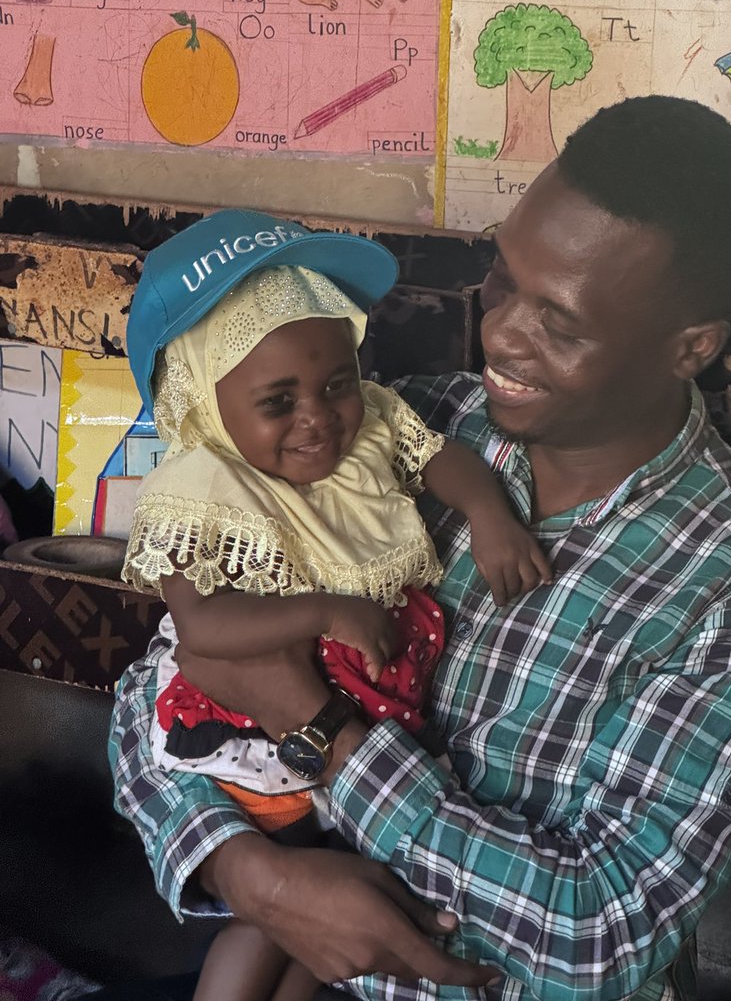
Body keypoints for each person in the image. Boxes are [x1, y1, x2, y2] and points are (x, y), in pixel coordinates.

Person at [110, 96, 731, 1001]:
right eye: (504, 278)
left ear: (688, 348)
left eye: (558, 324)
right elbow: (154, 691)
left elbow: (595, 937)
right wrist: (250, 875)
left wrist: (324, 734)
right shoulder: (397, 430)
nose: (500, 333)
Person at [117, 213, 551, 1001]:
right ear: (208, 405)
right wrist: (325, 610)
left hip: (359, 731)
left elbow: (438, 456)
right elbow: (204, 630)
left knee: (318, 933)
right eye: (278, 401)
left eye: (336, 384)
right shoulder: (197, 489)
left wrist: (489, 514)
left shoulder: (373, 427)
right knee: (265, 919)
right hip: (252, 741)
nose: (319, 416)